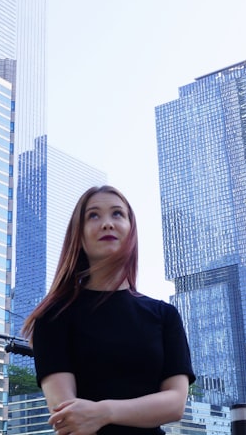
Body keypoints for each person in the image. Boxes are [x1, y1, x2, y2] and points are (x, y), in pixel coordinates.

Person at [21, 185, 194, 435]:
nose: (107, 223)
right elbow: (67, 415)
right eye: (93, 215)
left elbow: (175, 403)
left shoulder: (164, 315)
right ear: (79, 236)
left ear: (130, 230)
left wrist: (104, 412)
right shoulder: (54, 315)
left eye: (117, 214)